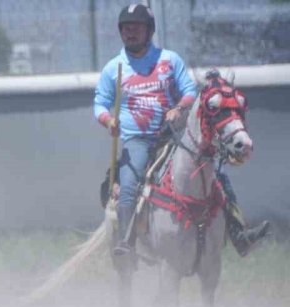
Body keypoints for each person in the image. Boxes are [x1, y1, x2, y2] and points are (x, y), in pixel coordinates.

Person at [94, 3, 268, 257]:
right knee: (129, 184)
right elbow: (99, 103)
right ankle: (125, 242)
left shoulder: (169, 60)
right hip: (138, 141)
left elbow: (189, 91)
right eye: (126, 28)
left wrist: (178, 107)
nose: (130, 33)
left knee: (218, 177)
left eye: (136, 28)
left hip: (175, 135)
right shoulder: (114, 68)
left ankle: (239, 233)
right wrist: (109, 121)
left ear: (149, 30)